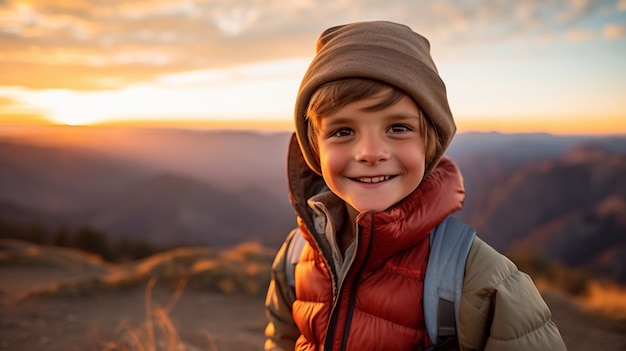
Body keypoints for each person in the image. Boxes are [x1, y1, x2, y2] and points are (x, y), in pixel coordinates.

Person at [264, 20, 567, 351]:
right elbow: (281, 340)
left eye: (397, 127)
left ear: (430, 143)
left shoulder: (481, 281)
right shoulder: (298, 257)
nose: (370, 153)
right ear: (314, 148)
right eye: (342, 131)